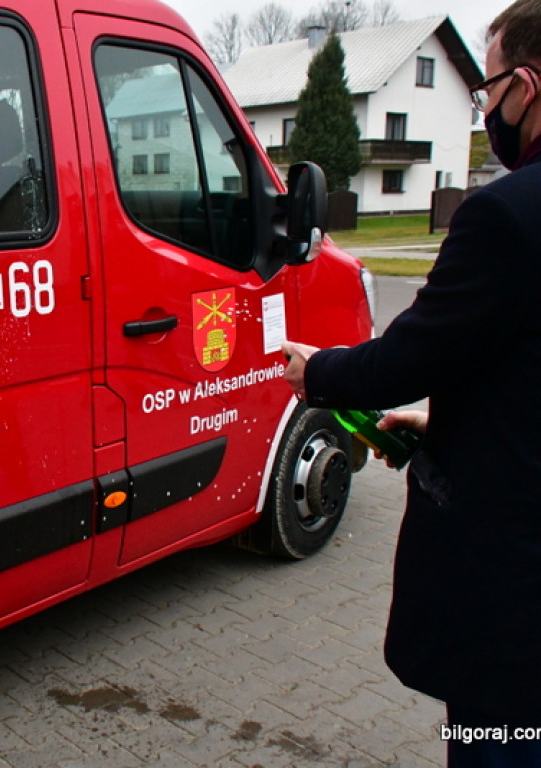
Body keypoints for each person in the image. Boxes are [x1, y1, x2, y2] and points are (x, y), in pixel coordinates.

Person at [282, 1, 541, 765]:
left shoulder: (506, 215)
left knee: (499, 740)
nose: (485, 108)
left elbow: (410, 358)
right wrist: (445, 428)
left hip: (515, 586)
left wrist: (317, 370)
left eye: (486, 89)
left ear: (524, 87)